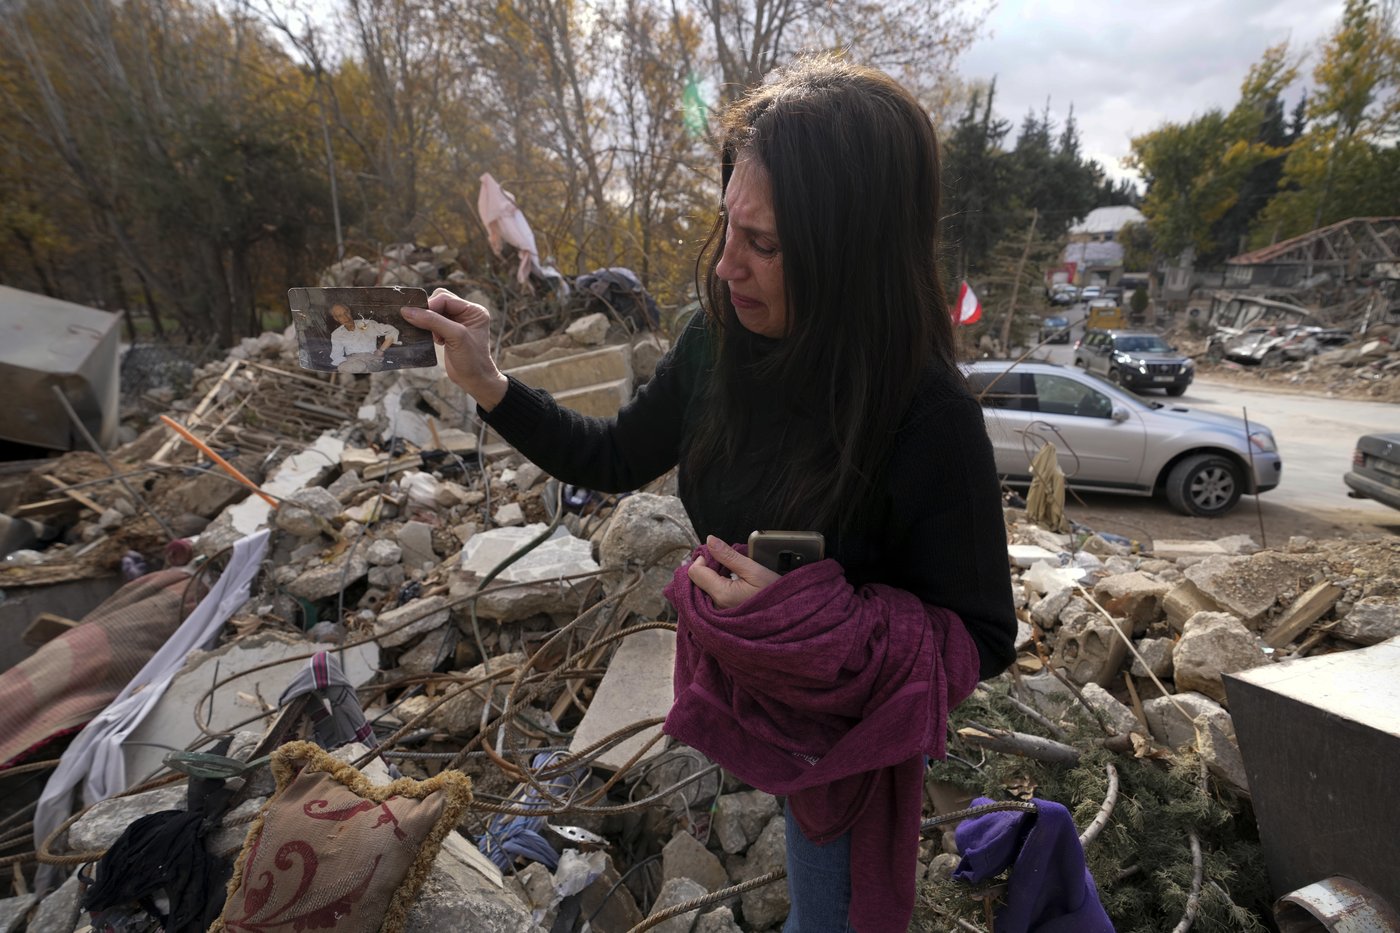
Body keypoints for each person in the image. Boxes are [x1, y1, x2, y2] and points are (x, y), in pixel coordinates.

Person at [403, 55, 1015, 932]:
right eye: (728, 225)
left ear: (851, 250)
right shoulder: (716, 342)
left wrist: (818, 627)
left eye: (764, 244)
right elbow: (613, 454)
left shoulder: (927, 417)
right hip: (728, 703)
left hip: (837, 748)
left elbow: (983, 635)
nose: (726, 266)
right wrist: (491, 381)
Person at [328, 303, 399, 370]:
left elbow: (392, 330)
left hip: (371, 360)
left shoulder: (368, 324)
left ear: (349, 311)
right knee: (347, 370)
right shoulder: (336, 334)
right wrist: (344, 363)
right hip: (351, 362)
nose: (345, 318)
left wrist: (381, 350)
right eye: (340, 316)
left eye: (346, 313)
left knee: (359, 368)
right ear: (336, 319)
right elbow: (336, 355)